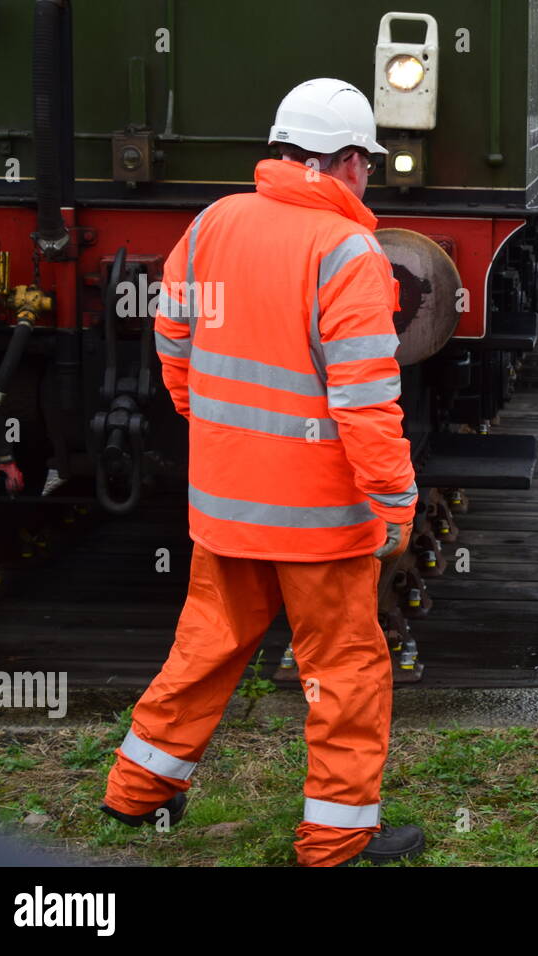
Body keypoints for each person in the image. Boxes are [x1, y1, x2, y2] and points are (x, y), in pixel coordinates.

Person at [101, 79, 424, 867]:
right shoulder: (348, 251)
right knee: (343, 668)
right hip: (318, 520)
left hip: (225, 501)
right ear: (348, 162)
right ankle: (339, 836)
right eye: (368, 164)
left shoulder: (212, 224)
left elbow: (171, 336)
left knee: (206, 643)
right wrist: (395, 499)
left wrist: (209, 425)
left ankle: (137, 790)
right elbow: (366, 401)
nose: (368, 178)